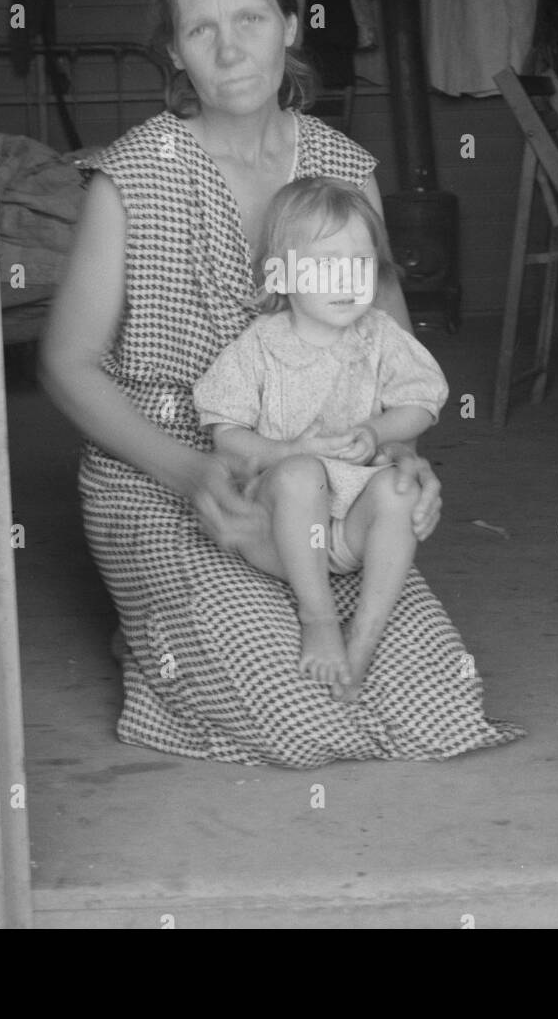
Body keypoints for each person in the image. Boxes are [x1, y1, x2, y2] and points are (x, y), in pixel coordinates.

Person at [40, 0, 522, 767]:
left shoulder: (342, 168)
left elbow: (391, 353)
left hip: (321, 479)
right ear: (175, 52)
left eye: (250, 19)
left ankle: (203, 633)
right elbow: (67, 365)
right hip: (168, 477)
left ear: (291, 26)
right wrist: (191, 472)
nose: (229, 50)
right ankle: (154, 634)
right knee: (304, 718)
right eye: (201, 27)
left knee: (436, 706)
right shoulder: (133, 175)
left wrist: (407, 458)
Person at [192, 176, 449, 700]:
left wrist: (378, 429)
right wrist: (288, 451)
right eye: (324, 265)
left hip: (350, 530)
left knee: (400, 491)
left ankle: (363, 641)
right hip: (277, 534)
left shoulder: (379, 336)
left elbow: (423, 403)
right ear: (281, 274)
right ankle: (320, 619)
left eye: (360, 263)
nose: (346, 280)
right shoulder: (259, 346)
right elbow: (227, 437)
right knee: (303, 475)